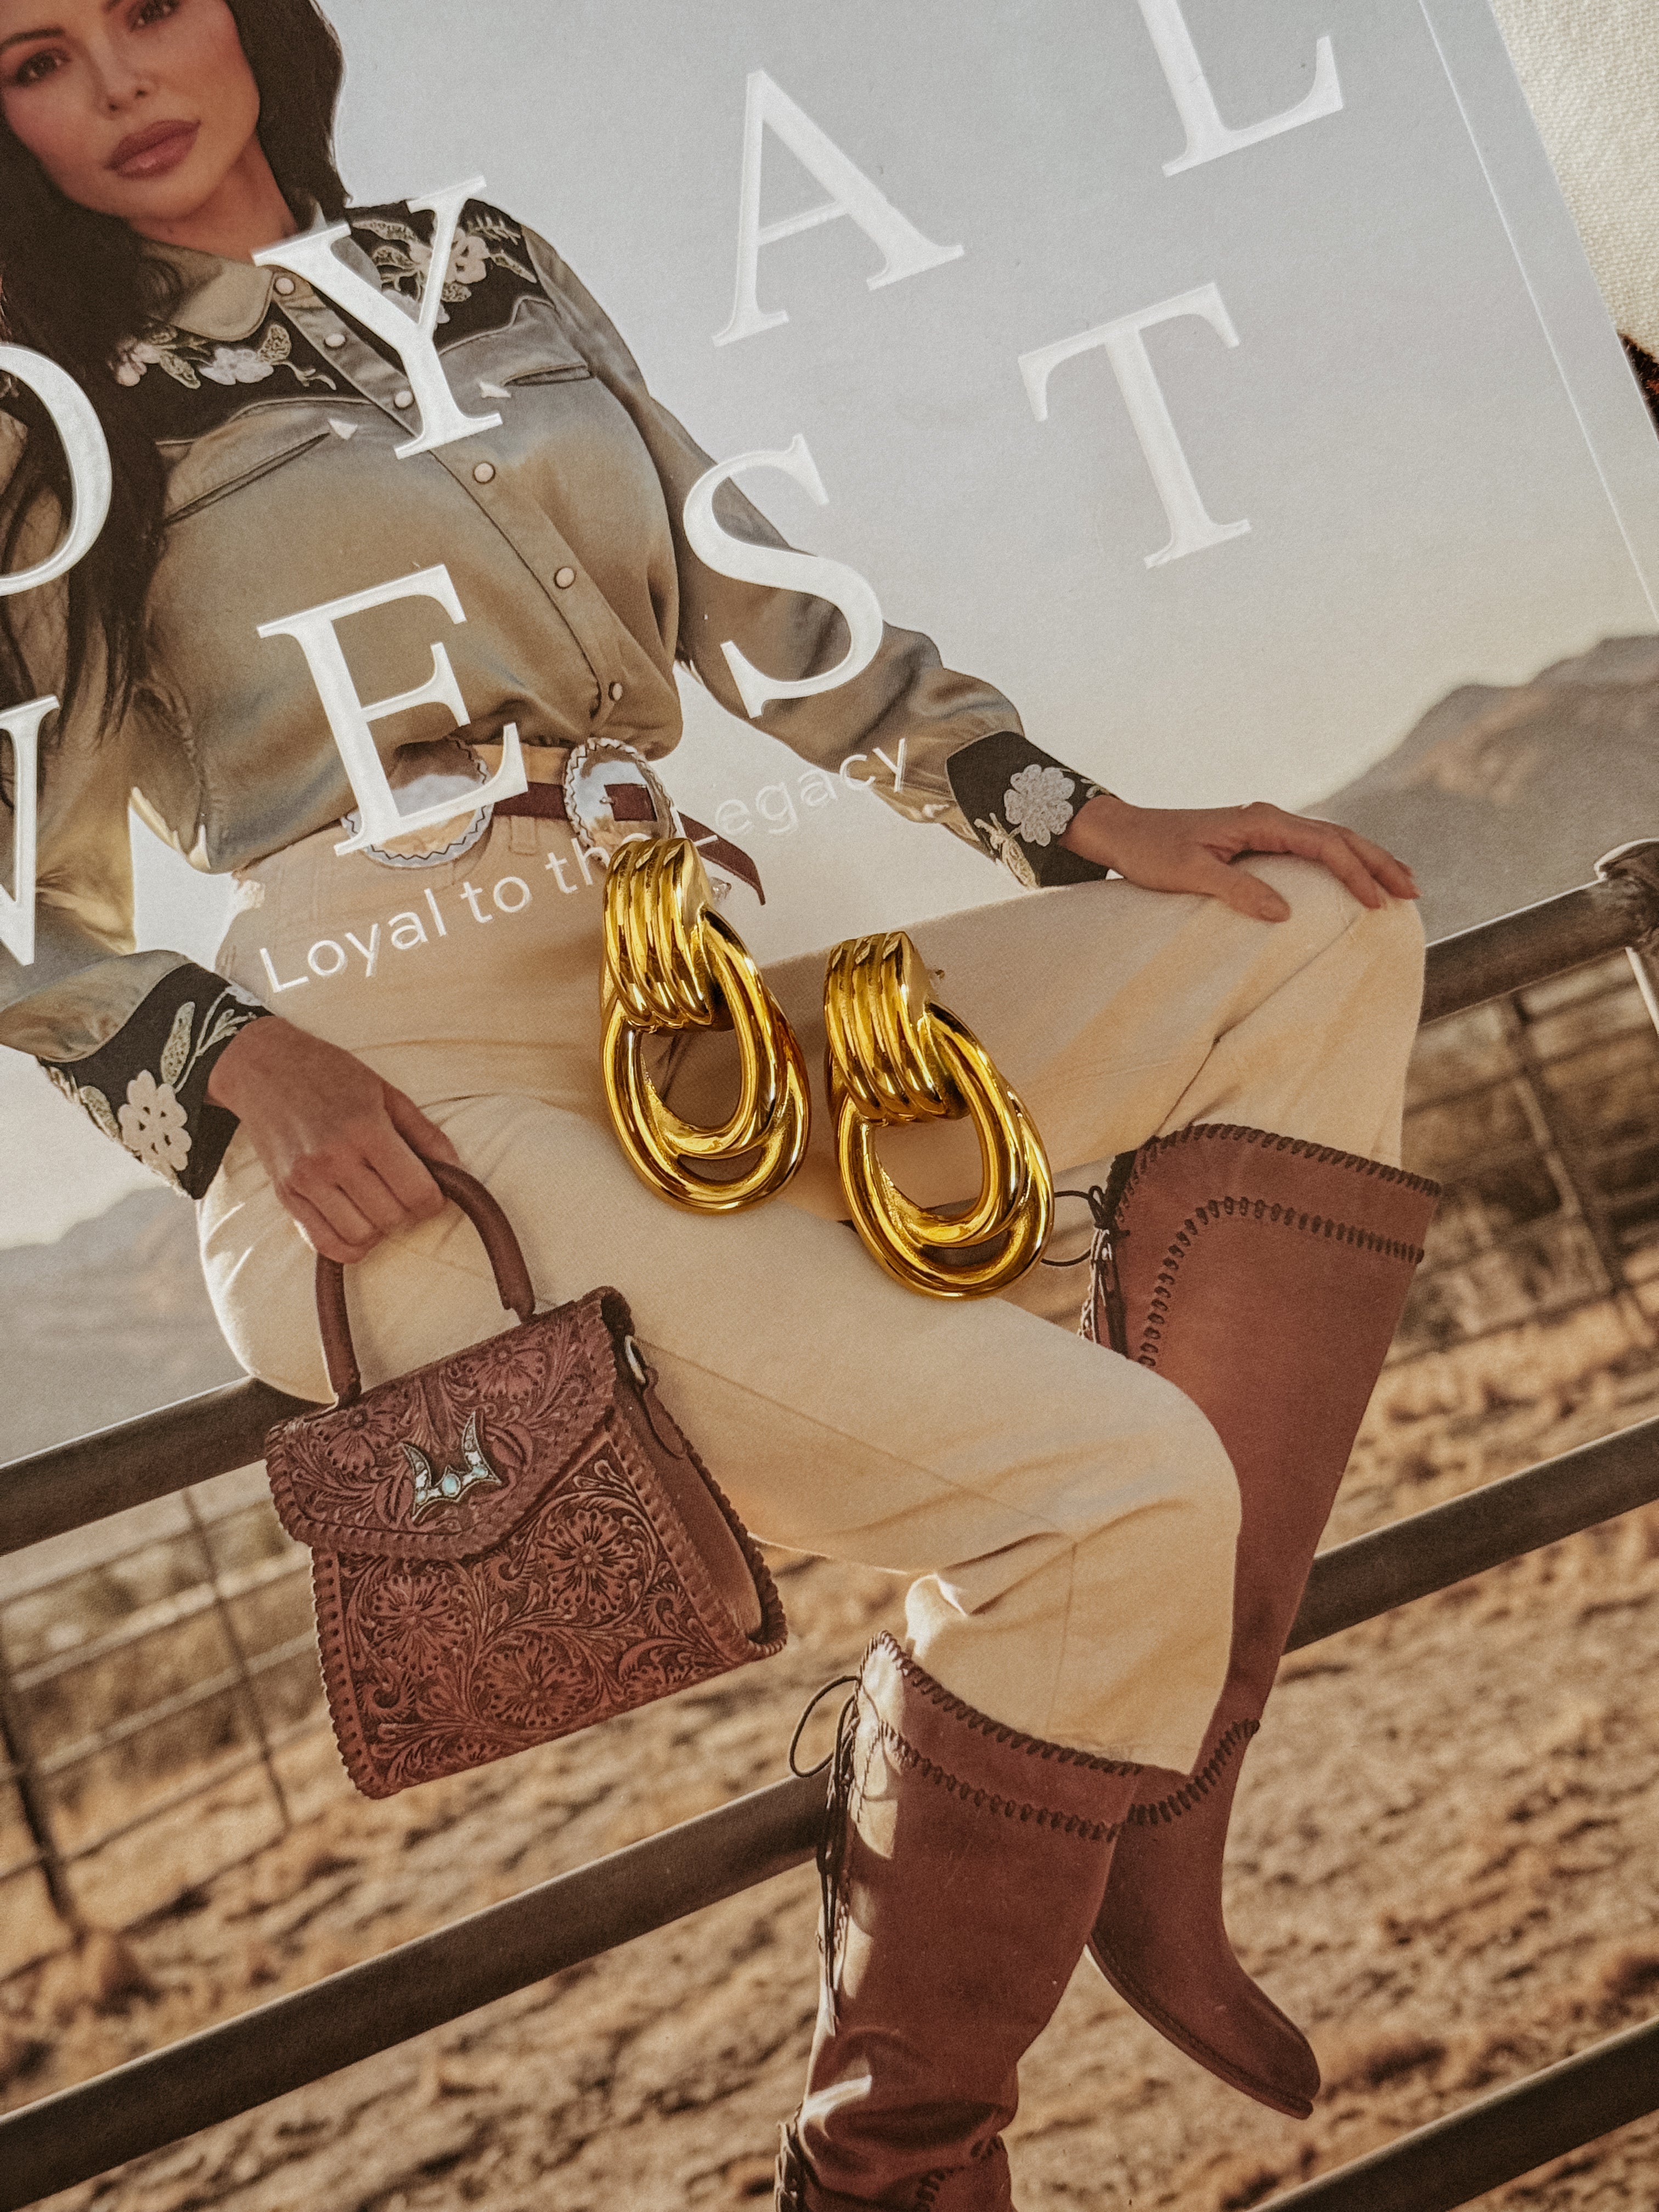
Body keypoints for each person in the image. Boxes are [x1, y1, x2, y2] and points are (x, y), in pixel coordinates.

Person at [0, 4, 1437, 2203]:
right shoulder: (48, 414)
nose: (120, 83)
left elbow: (762, 609)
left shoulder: (481, 259)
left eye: (150, 7)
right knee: (1118, 1486)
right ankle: (889, 2169)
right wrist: (229, 1059)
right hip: (404, 1109)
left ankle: (1156, 1792)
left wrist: (1069, 810)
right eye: (32, 58)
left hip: (680, 996)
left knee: (1308, 930)